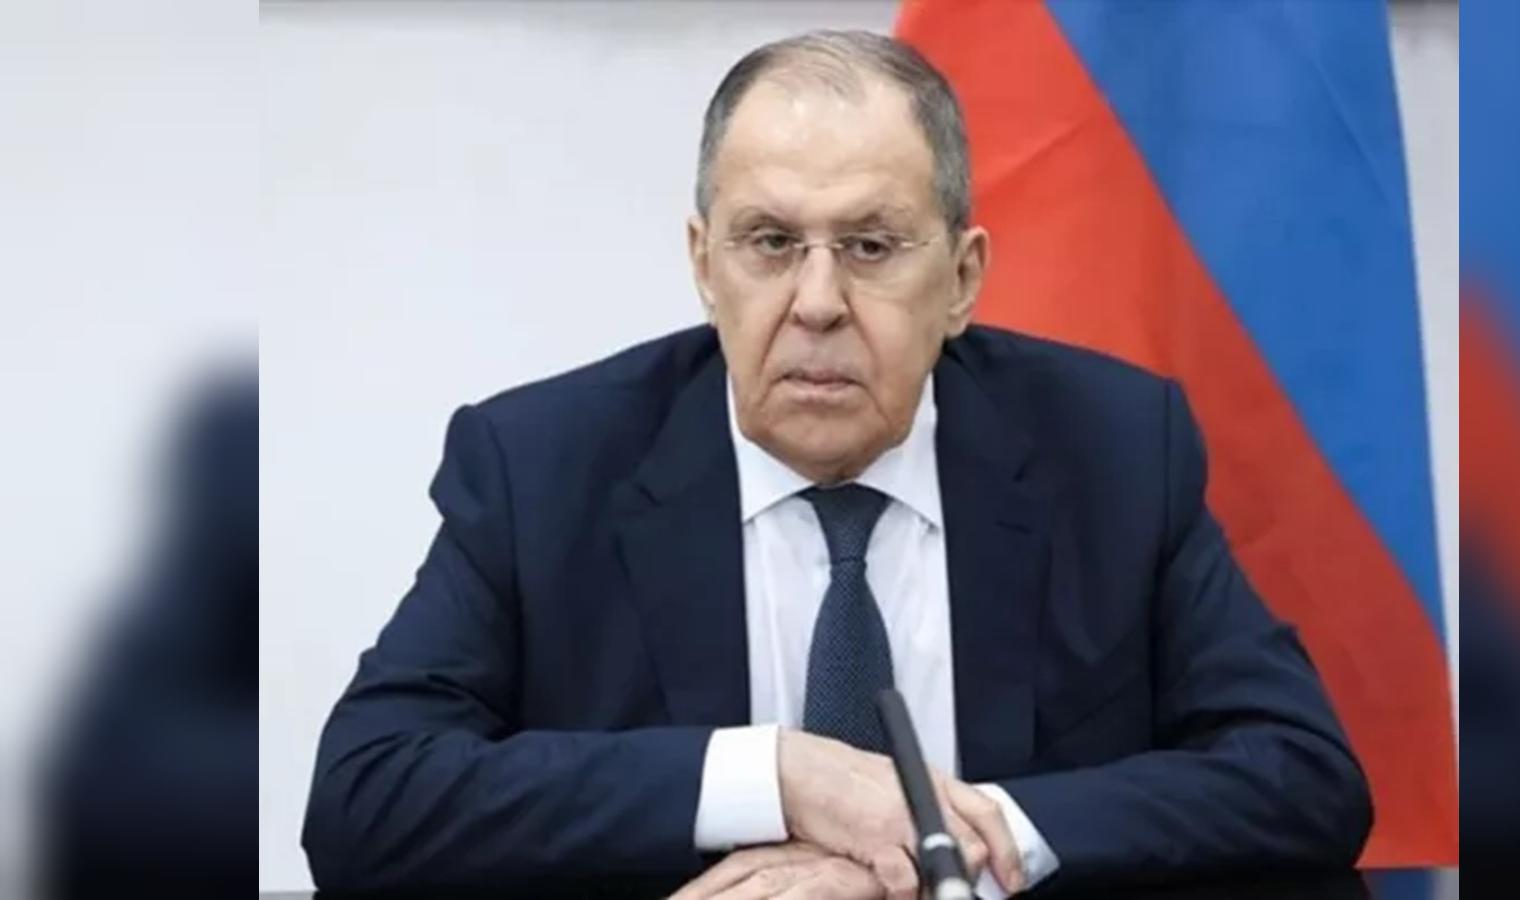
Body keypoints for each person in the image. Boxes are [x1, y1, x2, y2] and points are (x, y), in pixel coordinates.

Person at [302, 30, 1370, 899]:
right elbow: (364, 800)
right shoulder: (542, 466)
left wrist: (956, 840)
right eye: (770, 243)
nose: (816, 303)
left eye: (870, 246)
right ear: (703, 265)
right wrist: (774, 777)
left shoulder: (1113, 448)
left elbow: (1302, 776)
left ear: (962, 279)